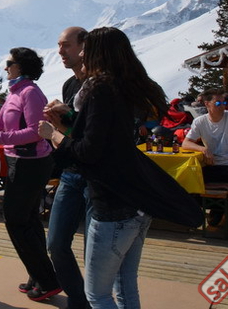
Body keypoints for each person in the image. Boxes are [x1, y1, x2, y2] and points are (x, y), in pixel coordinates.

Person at [39, 27, 202, 309]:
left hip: (110, 203)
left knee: (98, 295)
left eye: (85, 48)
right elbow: (102, 138)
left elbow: (89, 152)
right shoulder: (121, 88)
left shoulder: (100, 90)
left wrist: (53, 134)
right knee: (125, 286)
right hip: (133, 202)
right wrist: (70, 118)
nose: (81, 54)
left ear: (97, 53)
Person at [0, 47, 61, 302]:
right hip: (20, 162)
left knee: (15, 220)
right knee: (28, 219)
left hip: (31, 164)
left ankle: (47, 280)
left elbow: (36, 132)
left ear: (21, 67)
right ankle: (38, 276)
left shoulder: (30, 93)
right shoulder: (15, 92)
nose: (6, 67)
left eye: (10, 63)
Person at [43, 26, 91, 309]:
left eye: (66, 45)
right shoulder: (69, 85)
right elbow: (72, 131)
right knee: (56, 244)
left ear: (85, 46)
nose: (60, 51)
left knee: (93, 250)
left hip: (96, 176)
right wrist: (58, 121)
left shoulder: (100, 84)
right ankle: (79, 298)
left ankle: (92, 300)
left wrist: (66, 117)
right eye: (59, 45)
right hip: (72, 173)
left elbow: (92, 134)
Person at [182, 88, 228, 230]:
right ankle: (218, 208)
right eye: (218, 103)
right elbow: (186, 143)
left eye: (224, 103)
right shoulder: (200, 121)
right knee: (188, 183)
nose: (223, 106)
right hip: (213, 165)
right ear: (207, 104)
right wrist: (203, 149)